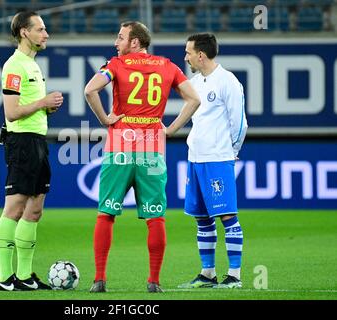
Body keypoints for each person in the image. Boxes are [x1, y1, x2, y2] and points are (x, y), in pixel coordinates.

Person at [84, 21, 201, 293]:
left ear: (134, 42)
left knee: (106, 214)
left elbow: (90, 89)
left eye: (121, 37)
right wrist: (170, 129)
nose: (116, 42)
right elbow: (194, 99)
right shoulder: (168, 66)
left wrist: (105, 119)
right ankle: (154, 282)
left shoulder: (115, 64)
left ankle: (99, 279)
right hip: (152, 150)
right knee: (155, 218)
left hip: (119, 148)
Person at [0, 11, 64, 291]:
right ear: (25, 32)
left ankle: (24, 276)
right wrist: (42, 102)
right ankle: (4, 278)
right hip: (22, 142)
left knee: (35, 210)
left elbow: (27, 106)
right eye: (40, 29)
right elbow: (11, 113)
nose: (46, 34)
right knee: (14, 207)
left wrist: (46, 106)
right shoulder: (14, 66)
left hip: (37, 141)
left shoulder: (32, 65)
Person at [178, 33, 248, 289]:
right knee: (202, 218)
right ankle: (208, 273)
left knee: (227, 215)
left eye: (188, 52)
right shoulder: (194, 83)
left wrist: (231, 151)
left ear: (200, 54)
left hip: (218, 158)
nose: (185, 57)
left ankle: (234, 275)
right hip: (195, 158)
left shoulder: (228, 81)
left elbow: (239, 122)